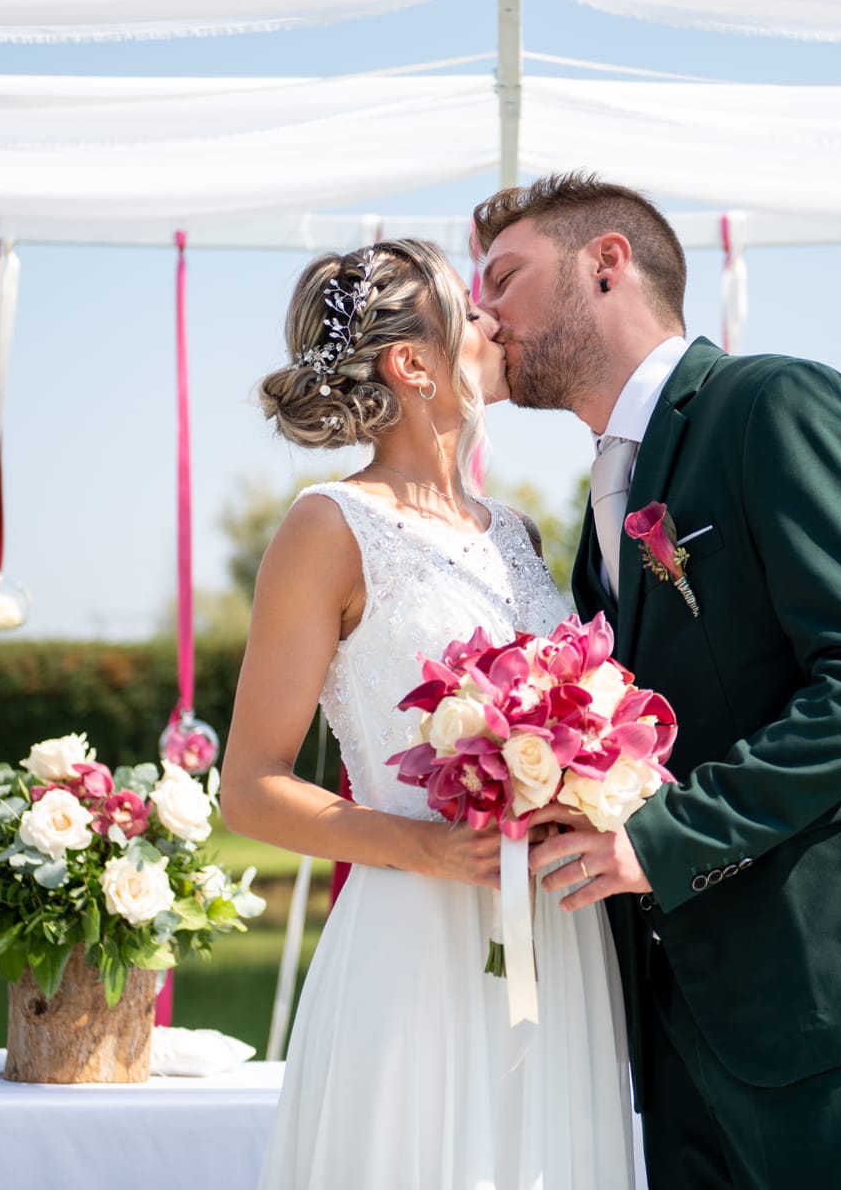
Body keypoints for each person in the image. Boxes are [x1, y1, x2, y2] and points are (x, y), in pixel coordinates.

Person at [476, 173, 841, 1190]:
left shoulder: (772, 403)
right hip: (679, 1005)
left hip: (828, 988)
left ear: (605, 265)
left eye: (504, 278)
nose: (481, 312)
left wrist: (661, 840)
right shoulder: (605, 490)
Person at [220, 238, 636, 1190]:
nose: (492, 321)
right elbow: (248, 787)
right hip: (414, 941)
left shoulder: (521, 531)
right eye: (469, 309)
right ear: (413, 363)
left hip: (558, 937)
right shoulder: (325, 527)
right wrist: (428, 849)